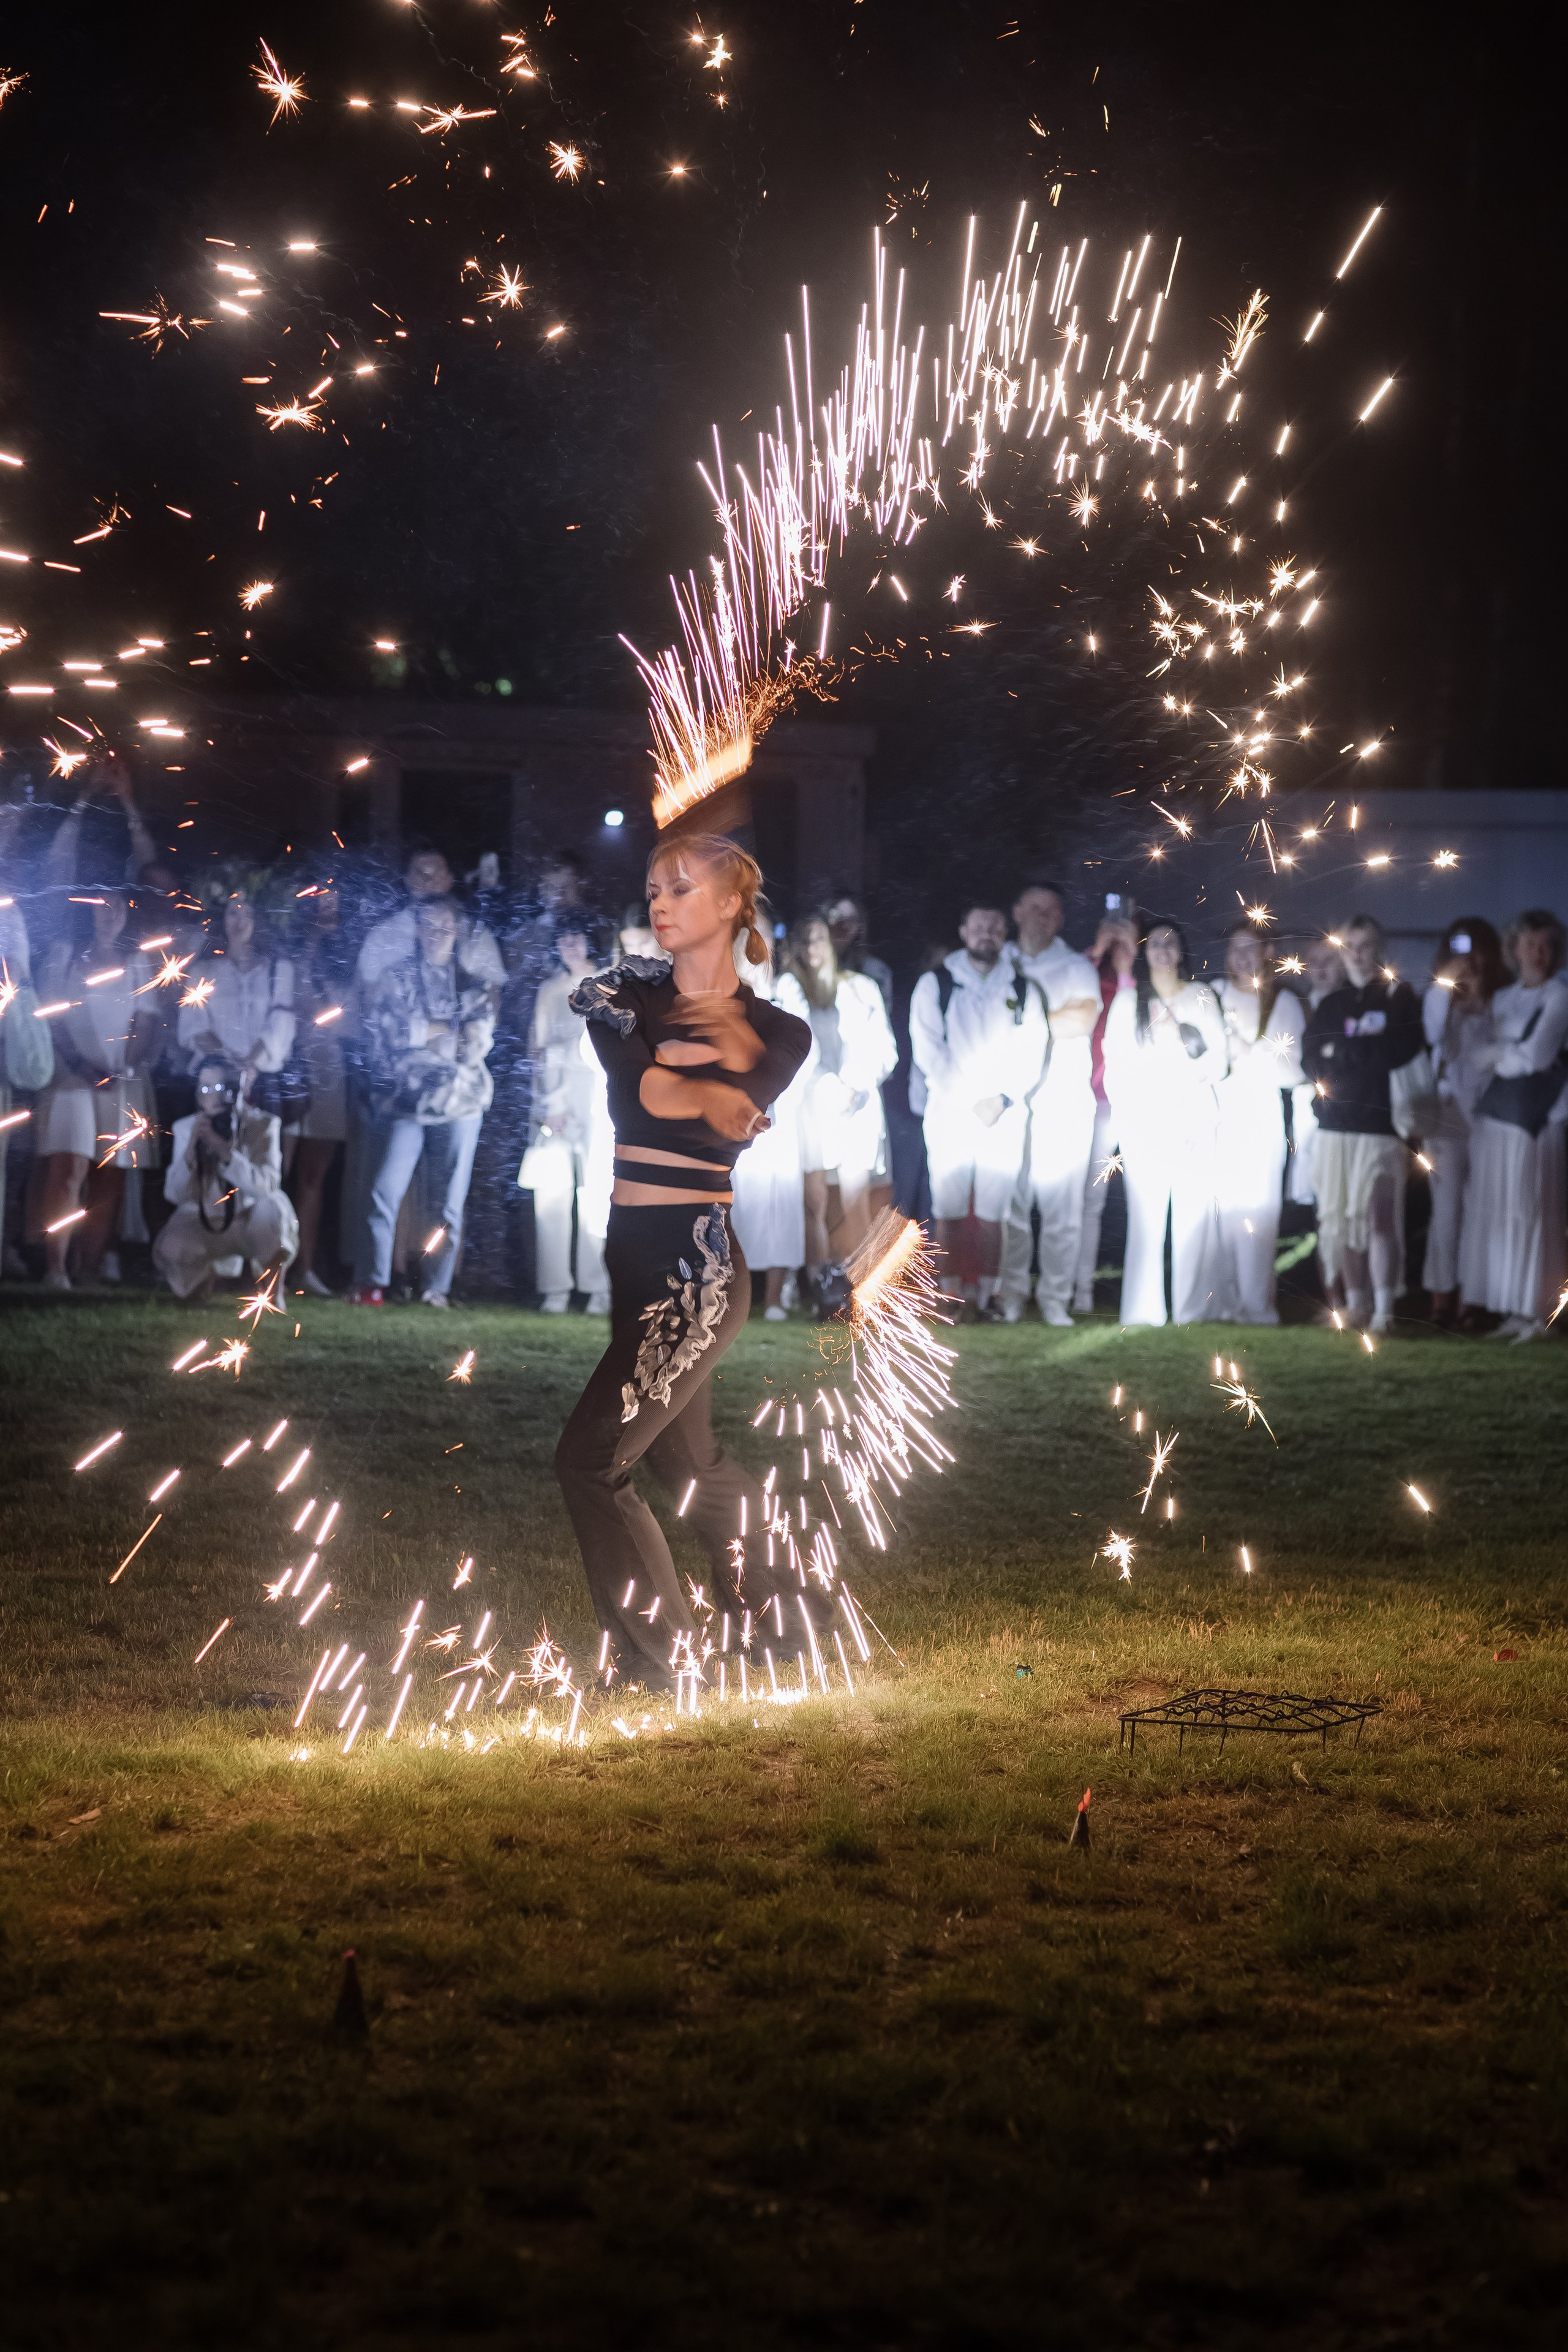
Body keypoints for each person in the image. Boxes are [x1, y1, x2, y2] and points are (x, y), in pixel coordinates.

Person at [554, 832, 813, 1694]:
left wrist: (691, 1087)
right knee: (689, 1468)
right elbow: (645, 1099)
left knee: (591, 1459)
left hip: (696, 1275)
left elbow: (693, 1108)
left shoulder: (782, 1029)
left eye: (681, 889)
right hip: (635, 1261)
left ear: (734, 905)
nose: (658, 903)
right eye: (652, 889)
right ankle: (777, 1626)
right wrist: (707, 1089)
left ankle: (654, 1665)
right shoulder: (620, 993)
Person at [350, 895, 496, 1308]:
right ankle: (372, 1282)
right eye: (429, 926)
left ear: (456, 932)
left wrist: (421, 1033)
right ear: (417, 930)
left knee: (448, 1201)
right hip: (405, 1099)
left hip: (461, 1099)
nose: (436, 935)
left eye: (444, 928)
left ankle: (436, 1287)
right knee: (384, 1191)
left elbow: (473, 1043)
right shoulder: (397, 978)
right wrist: (437, 1033)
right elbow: (386, 1034)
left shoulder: (471, 982)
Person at [908, 903, 1049, 1319]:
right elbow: (928, 1048)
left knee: (994, 1214)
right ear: (964, 932)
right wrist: (971, 1098)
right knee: (948, 1210)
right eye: (978, 926)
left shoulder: (1022, 988)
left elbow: (1033, 1049)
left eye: (994, 927)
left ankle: (988, 1298)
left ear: (1004, 932)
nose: (986, 934)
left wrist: (1003, 1098)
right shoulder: (936, 984)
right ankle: (950, 1297)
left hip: (1002, 1116)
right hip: (952, 1113)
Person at [1300, 914, 1424, 1333]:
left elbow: (1397, 1049)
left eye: (1365, 945)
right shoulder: (1331, 1004)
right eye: (1349, 945)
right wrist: (1354, 1051)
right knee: (1339, 1218)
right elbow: (1312, 1058)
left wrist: (1345, 1052)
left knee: (1378, 1216)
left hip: (1379, 1126)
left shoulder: (1397, 997)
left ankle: (1386, 1309)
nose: (1356, 954)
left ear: (1379, 950)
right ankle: (1355, 1304)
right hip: (1335, 1126)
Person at [1102, 918, 1227, 1327]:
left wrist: (1187, 1083)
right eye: (1154, 943)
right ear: (1144, 951)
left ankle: (1192, 1310)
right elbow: (1117, 1067)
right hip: (1146, 1123)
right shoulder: (1128, 1002)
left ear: (1182, 951)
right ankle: (1143, 1312)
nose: (1162, 949)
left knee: (1193, 1218)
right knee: (1146, 1218)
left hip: (1194, 1119)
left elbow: (1219, 1061)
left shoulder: (1202, 995)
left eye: (1171, 942)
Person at [32, 891, 158, 1289]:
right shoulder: (67, 956)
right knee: (69, 1167)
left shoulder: (138, 963)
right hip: (73, 1078)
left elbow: (147, 1019)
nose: (109, 916)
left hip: (120, 1078)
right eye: (101, 907)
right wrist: (83, 1066)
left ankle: (90, 1267)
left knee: (110, 1173)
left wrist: (126, 1066)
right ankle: (57, 1267)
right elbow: (51, 1017)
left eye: (117, 908)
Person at [1457, 910, 1568, 1340]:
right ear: (1516, 948)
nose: (1539, 953)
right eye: (1531, 944)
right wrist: (1502, 1053)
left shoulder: (1558, 996)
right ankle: (1512, 1309)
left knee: (1533, 1210)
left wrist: (1498, 1054)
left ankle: (1538, 1312)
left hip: (1536, 1120)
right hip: (1497, 1117)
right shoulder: (1504, 998)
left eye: (1546, 945)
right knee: (1501, 1212)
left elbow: (1535, 1057)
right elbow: (1477, 1052)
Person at [782, 911, 899, 1311]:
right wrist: (829, 1086)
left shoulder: (862, 988)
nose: (813, 949)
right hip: (812, 1106)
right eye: (806, 940)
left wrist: (854, 1084)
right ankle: (821, 1289)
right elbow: (796, 1048)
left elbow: (885, 1049)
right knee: (815, 1200)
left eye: (819, 940)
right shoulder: (789, 988)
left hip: (857, 1106)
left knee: (855, 1198)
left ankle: (863, 1289)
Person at [999, 884, 1101, 1325]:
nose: (1040, 917)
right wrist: (1048, 1019)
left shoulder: (1076, 965)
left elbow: (1083, 1019)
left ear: (1059, 920)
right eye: (1033, 907)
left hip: (1064, 1100)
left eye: (1050, 911)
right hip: (1009, 1101)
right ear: (1017, 910)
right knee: (1011, 1207)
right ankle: (1011, 1296)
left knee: (1062, 1210)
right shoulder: (999, 961)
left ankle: (1056, 1298)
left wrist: (1018, 1021)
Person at [1209, 922, 1305, 1324]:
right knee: (1221, 1215)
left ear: (1266, 952)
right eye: (1236, 948)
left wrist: (1250, 1053)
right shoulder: (1212, 995)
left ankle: (1256, 1304)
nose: (1243, 957)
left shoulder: (1282, 1003)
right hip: (1218, 1120)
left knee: (1258, 1217)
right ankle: (1222, 1300)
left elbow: (1294, 1070)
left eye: (1252, 948)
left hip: (1260, 1122)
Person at [1419, 918, 1507, 1327]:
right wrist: (1447, 986)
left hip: (1491, 1112)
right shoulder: (1440, 999)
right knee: (1447, 1209)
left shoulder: (1502, 997)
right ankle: (1441, 1298)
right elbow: (1434, 1035)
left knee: (1481, 1207)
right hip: (1449, 1111)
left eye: (1476, 953)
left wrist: (1482, 1000)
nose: (1468, 961)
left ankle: (1474, 1299)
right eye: (1459, 953)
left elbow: (1506, 1046)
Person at [154, 1054, 298, 1301]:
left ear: (237, 1089)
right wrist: (191, 1152)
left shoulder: (264, 1125)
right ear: (198, 1095)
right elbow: (173, 1195)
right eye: (207, 1088)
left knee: (274, 1207)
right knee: (170, 1244)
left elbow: (269, 1185)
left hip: (251, 1221)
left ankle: (274, 1293)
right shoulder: (186, 1128)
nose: (216, 1096)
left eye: (222, 1087)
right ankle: (201, 1284)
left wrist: (226, 1153)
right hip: (207, 1219)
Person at [520, 925, 611, 1313]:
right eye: (563, 939)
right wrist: (550, 1103)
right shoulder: (550, 990)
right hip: (554, 1097)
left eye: (576, 939)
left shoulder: (610, 985)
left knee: (598, 1193)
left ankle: (599, 1286)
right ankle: (555, 1287)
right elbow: (537, 1051)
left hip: (598, 1096)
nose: (569, 947)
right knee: (553, 1193)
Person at [728, 924, 814, 1320]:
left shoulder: (788, 990)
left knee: (780, 1205)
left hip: (777, 1113)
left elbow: (803, 1048)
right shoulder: (723, 990)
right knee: (735, 1205)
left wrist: (768, 1089)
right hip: (735, 1112)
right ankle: (735, 1297)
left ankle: (777, 1297)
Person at [283, 886, 353, 1297]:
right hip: (289, 1068)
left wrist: (319, 1015)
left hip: (328, 1073)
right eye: (320, 908)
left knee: (312, 1177)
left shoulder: (345, 968)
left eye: (333, 910)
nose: (326, 916)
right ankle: (266, 1263)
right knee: (277, 1170)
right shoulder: (288, 959)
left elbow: (351, 1022)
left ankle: (305, 1267)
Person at [1072, 902, 1140, 1313]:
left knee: (1099, 1202)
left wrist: (1129, 963)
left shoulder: (1138, 980)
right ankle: (1073, 1289)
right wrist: (1097, 952)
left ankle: (1095, 1290)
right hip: (1083, 1097)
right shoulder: (1085, 970)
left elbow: (1136, 1016)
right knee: (1077, 1201)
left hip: (1123, 1101)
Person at [178, 892, 296, 1101]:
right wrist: (229, 1062)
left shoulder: (278, 970)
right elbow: (195, 1026)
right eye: (233, 913)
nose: (239, 922)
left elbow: (281, 1025)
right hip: (215, 1083)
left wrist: (250, 1064)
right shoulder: (202, 971)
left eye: (247, 914)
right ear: (221, 918)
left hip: (262, 1083)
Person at [355, 845, 507, 997]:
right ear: (407, 880)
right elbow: (368, 996)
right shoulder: (382, 937)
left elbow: (494, 994)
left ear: (449, 879)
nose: (429, 882)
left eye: (437, 873)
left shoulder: (476, 936)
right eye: (420, 874)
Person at [1286, 937, 1345, 1209]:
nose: (1321, 969)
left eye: (1329, 961)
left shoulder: (1350, 1005)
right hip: (1304, 1096)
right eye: (1314, 963)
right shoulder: (1298, 1006)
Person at [824, 895, 894, 1017]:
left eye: (850, 919)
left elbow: (880, 1018)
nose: (842, 924)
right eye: (836, 915)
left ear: (859, 927)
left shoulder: (877, 972)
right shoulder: (813, 966)